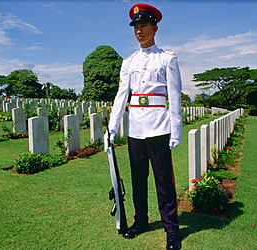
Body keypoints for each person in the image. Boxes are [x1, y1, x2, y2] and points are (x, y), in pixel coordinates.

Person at [105, 3, 183, 250]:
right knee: (138, 180)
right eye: (136, 27)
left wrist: (176, 130)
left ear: (154, 28)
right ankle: (141, 221)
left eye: (143, 25)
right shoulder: (129, 61)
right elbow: (121, 96)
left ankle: (171, 230)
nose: (139, 30)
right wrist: (112, 127)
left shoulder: (167, 58)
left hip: (159, 128)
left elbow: (175, 96)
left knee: (164, 183)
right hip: (136, 129)